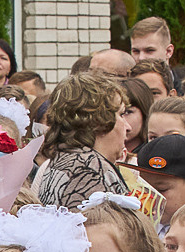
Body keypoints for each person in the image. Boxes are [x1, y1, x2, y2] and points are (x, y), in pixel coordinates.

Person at [27, 73, 125, 209]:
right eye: (121, 114)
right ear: (99, 120)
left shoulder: (64, 159)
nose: (128, 126)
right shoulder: (89, 170)